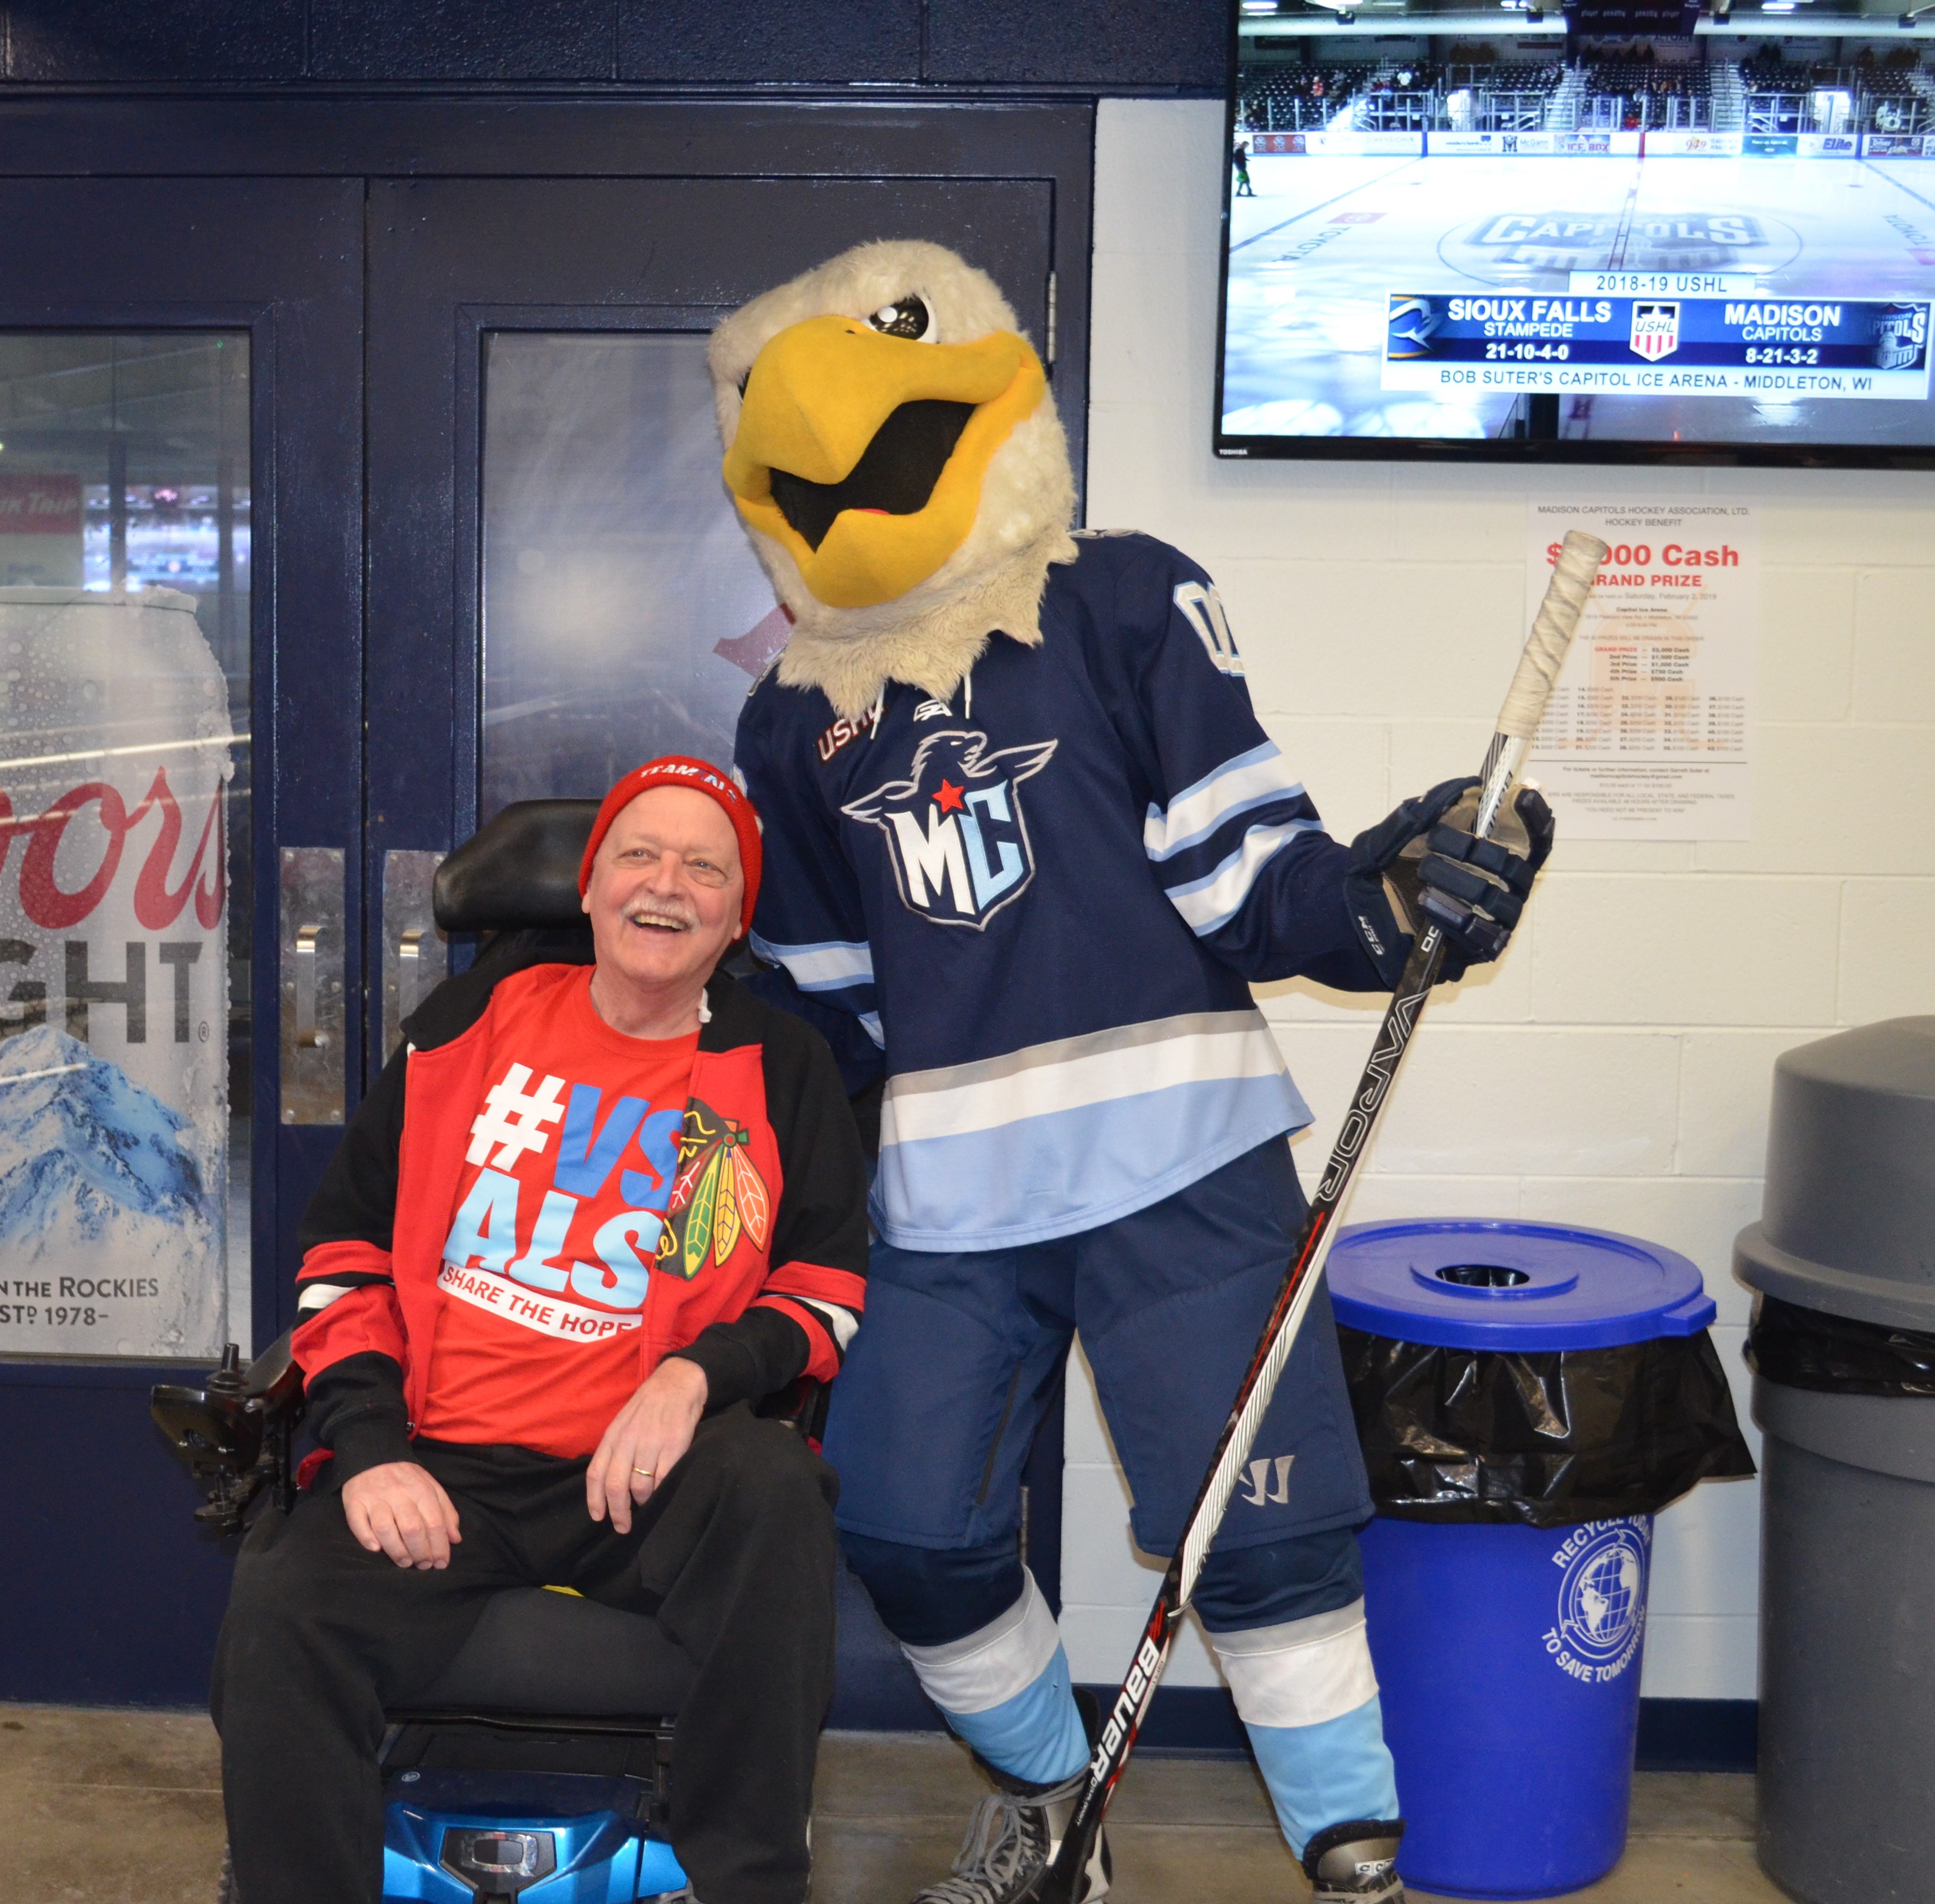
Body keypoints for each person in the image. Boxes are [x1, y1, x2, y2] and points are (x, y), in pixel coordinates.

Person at [707, 242, 1554, 1904]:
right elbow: (824, 1015)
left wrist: (1394, 896)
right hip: (948, 1198)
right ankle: (1048, 1800)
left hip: (1187, 1165)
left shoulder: (1118, 598)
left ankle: (1346, 1838)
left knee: (1267, 1528)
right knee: (902, 1520)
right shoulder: (785, 724)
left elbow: (1256, 886)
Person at [212, 756, 868, 1904]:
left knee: (773, 1488)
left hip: (650, 1474)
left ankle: (749, 1885)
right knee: (282, 1604)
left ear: (736, 916)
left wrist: (694, 1377)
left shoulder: (783, 1067)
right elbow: (345, 1255)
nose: (666, 886)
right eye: (639, 855)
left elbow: (822, 1292)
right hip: (448, 1466)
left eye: (704, 868)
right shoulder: (471, 1020)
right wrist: (368, 1451)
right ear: (591, 882)